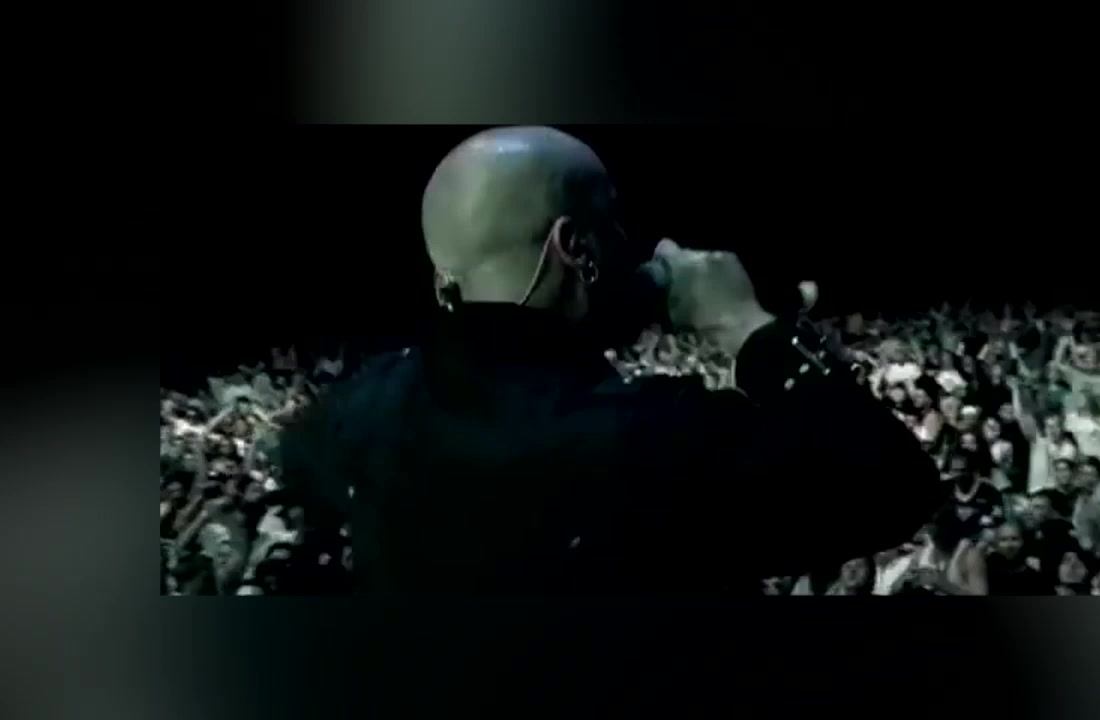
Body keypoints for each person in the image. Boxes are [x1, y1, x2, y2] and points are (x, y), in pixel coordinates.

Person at [278, 127, 941, 594]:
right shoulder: (653, 438)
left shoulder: (353, 414)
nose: (630, 243)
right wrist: (744, 323)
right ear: (577, 248)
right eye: (614, 223)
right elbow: (892, 482)